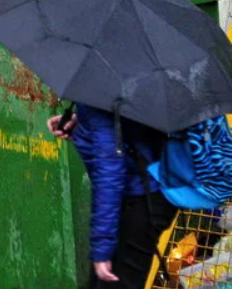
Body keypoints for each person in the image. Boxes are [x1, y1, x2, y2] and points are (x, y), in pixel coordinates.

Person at [49, 104, 176, 288]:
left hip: (139, 200)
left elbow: (110, 173)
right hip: (145, 193)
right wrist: (82, 124)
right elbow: (122, 127)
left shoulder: (100, 92)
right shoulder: (109, 93)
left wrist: (102, 249)